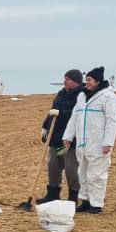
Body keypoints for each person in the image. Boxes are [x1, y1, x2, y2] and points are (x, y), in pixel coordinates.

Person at [61, 66, 116, 214]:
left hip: (99, 143)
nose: (86, 83)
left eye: (89, 80)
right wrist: (68, 137)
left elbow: (112, 121)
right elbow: (75, 117)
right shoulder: (82, 96)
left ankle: (96, 204)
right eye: (86, 79)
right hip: (83, 142)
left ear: (98, 81)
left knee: (97, 175)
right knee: (83, 173)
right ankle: (85, 201)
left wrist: (108, 143)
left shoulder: (108, 97)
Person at [36, 70, 85, 205]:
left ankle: (73, 196)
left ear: (76, 81)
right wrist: (45, 127)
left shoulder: (81, 94)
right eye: (65, 79)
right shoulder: (62, 93)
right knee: (53, 165)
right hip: (56, 136)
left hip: (69, 139)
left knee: (70, 167)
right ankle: (53, 193)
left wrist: (62, 113)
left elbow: (77, 114)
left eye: (68, 79)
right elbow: (52, 110)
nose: (65, 81)